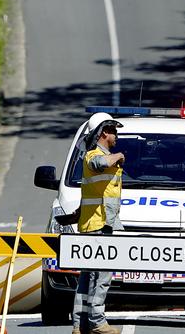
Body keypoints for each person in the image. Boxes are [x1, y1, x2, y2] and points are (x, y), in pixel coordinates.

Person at [72, 112, 125, 334]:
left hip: (97, 223)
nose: (116, 135)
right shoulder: (93, 155)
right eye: (113, 131)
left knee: (87, 277)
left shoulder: (96, 155)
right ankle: (97, 322)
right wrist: (118, 156)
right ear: (104, 133)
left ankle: (80, 323)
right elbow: (98, 163)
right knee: (102, 276)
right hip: (99, 225)